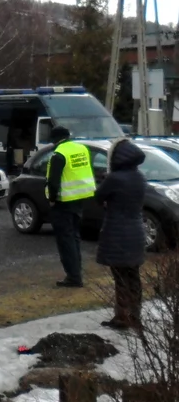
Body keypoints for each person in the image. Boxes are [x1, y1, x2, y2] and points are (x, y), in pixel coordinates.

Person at [93, 138, 146, 331]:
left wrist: (103, 181)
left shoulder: (114, 179)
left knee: (120, 277)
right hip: (136, 233)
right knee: (133, 277)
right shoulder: (139, 177)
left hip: (118, 233)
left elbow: (99, 198)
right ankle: (135, 316)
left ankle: (122, 318)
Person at [46, 126, 95, 287]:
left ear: (55, 139)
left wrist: (52, 199)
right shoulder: (82, 148)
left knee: (65, 241)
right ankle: (77, 271)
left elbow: (53, 182)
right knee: (74, 237)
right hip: (80, 199)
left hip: (63, 202)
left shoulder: (59, 154)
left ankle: (73, 277)